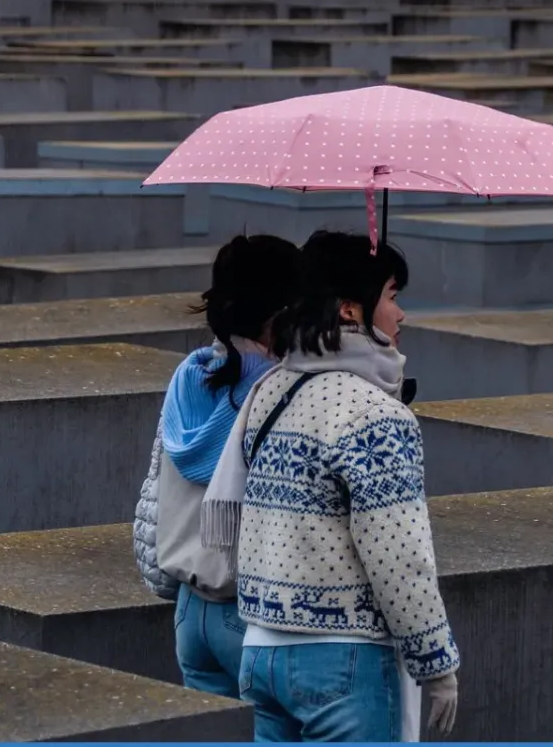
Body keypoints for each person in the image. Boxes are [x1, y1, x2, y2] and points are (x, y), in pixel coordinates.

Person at [201, 230, 460, 741]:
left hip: (261, 654)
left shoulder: (271, 389)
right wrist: (438, 663)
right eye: (391, 296)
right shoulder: (375, 415)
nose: (401, 314)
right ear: (349, 310)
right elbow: (399, 555)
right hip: (344, 660)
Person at [133, 233, 303, 699]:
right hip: (247, 609)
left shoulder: (190, 373)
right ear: (282, 312)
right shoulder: (277, 391)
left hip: (189, 610)